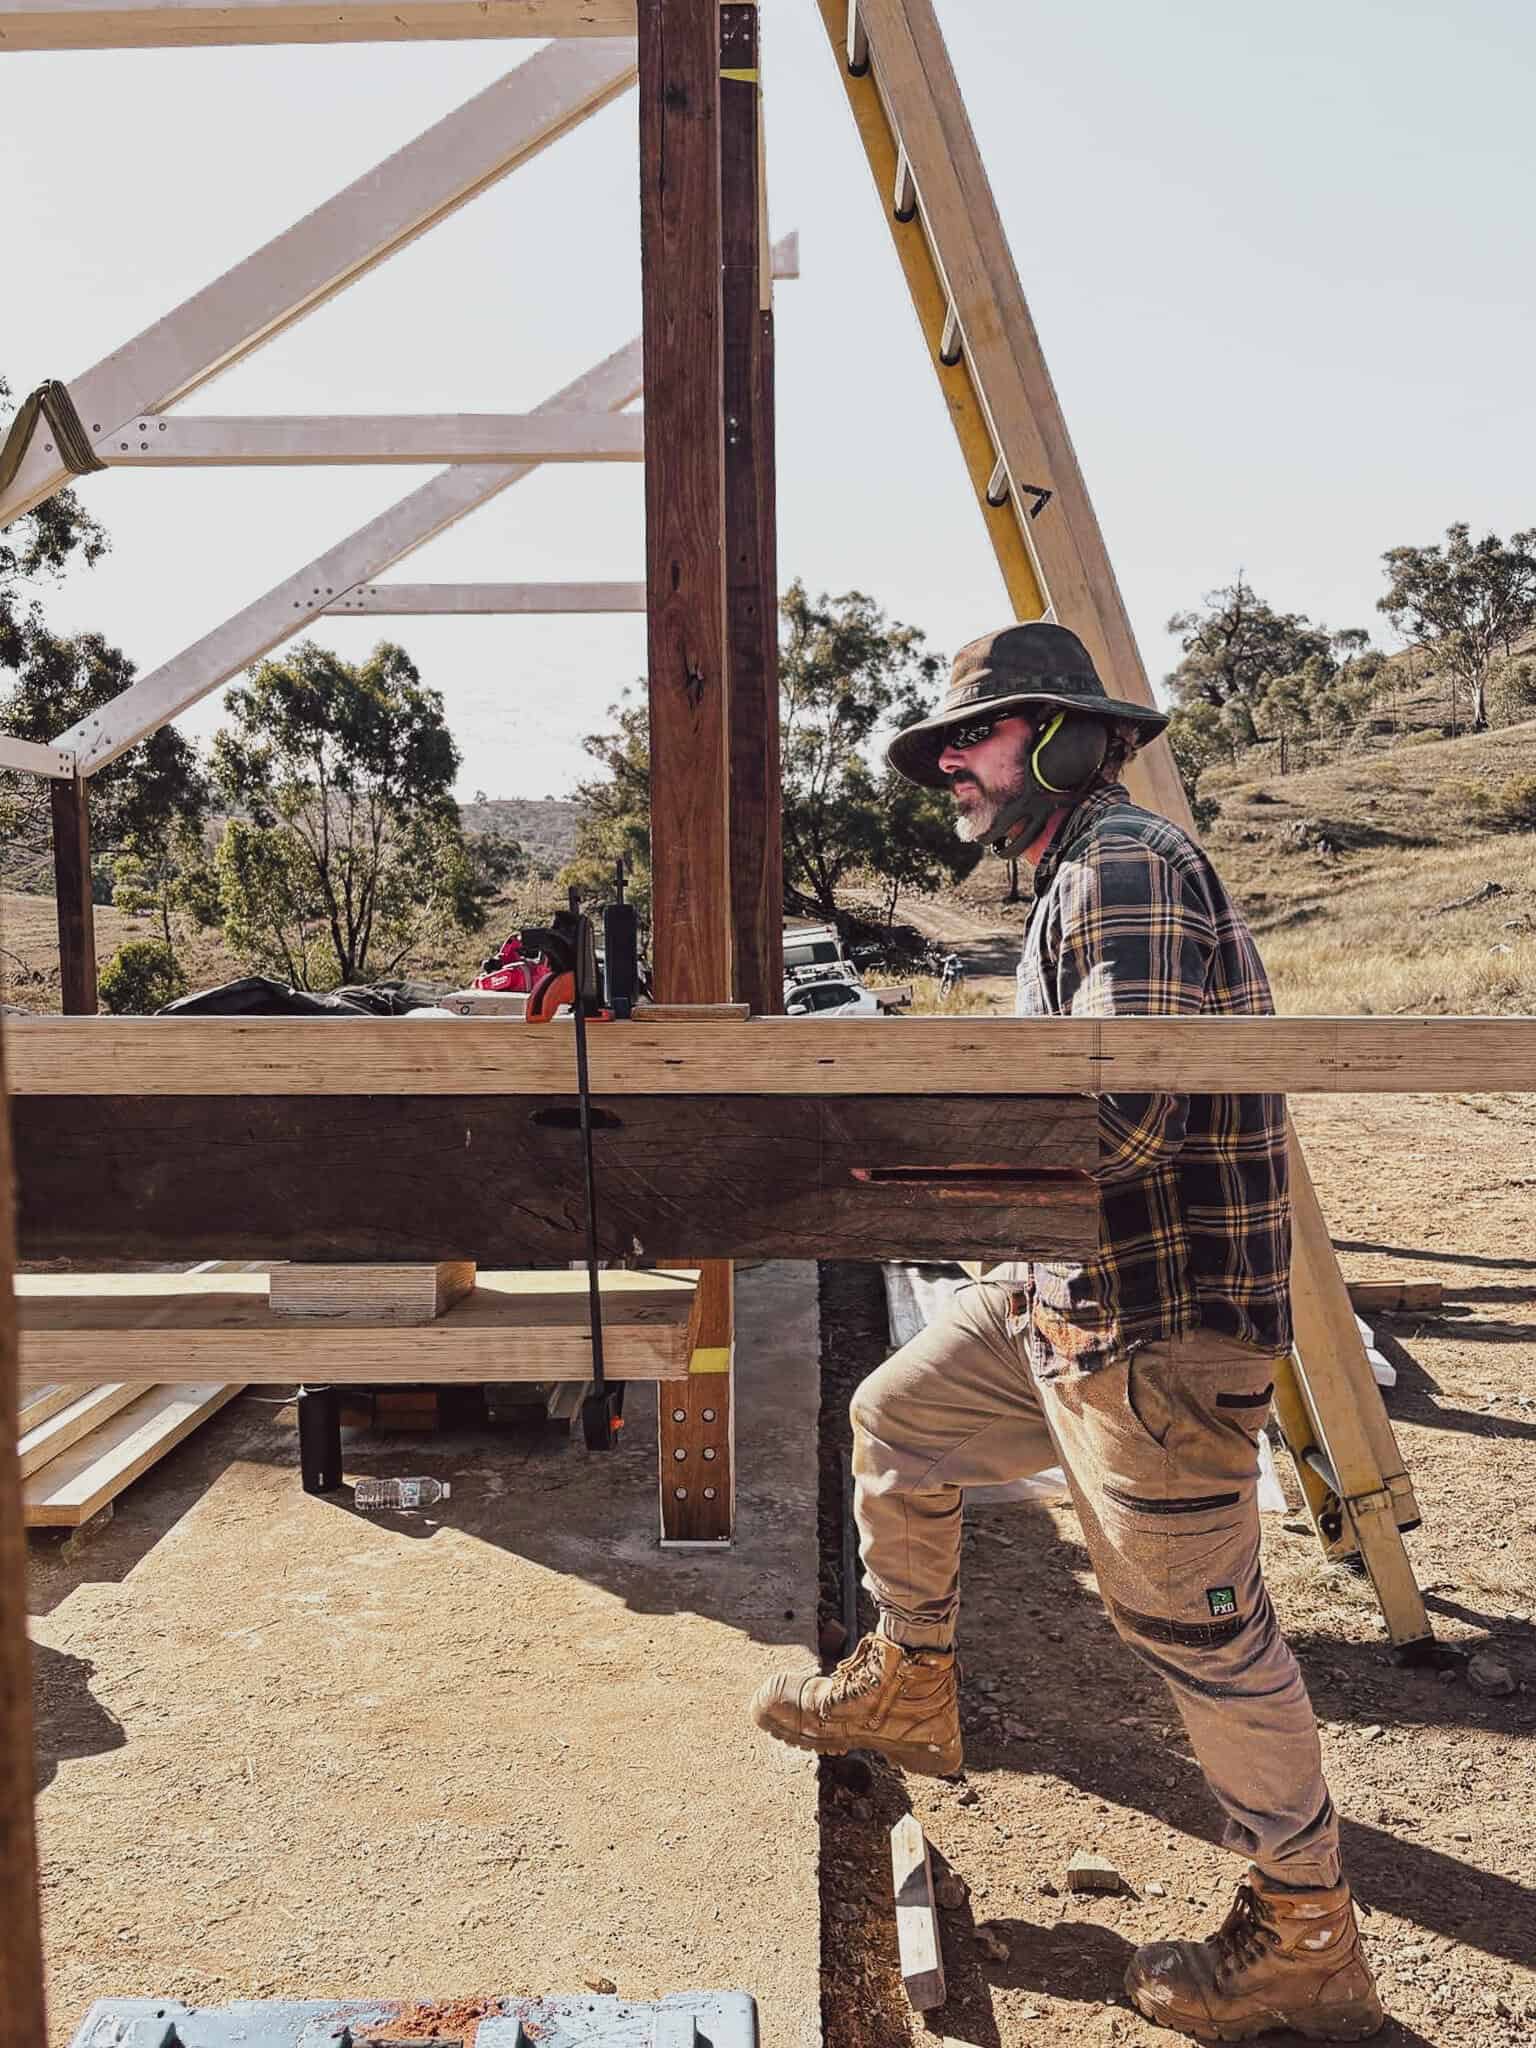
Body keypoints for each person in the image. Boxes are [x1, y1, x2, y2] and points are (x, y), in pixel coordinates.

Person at [750, 622, 1383, 2044]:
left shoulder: (1124, 869)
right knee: (901, 1416)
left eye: (971, 741)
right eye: (944, 750)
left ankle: (1306, 1933)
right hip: (1071, 1299)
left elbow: (1122, 1115)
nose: (951, 771)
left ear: (1058, 738)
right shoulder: (1075, 876)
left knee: (1198, 1634)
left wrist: (907, 1159)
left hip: (1157, 1330)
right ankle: (914, 1681)